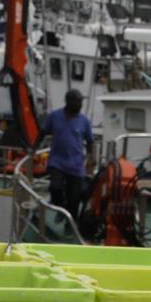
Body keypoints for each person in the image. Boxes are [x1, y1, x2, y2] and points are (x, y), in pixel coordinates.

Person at [42, 87, 94, 228]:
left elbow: (90, 141)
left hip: (76, 165)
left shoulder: (84, 121)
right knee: (55, 188)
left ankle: (70, 226)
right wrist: (33, 148)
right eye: (78, 101)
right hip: (57, 162)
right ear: (69, 102)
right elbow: (43, 132)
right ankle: (61, 208)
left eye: (81, 101)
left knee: (74, 198)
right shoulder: (54, 116)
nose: (81, 104)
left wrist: (90, 157)